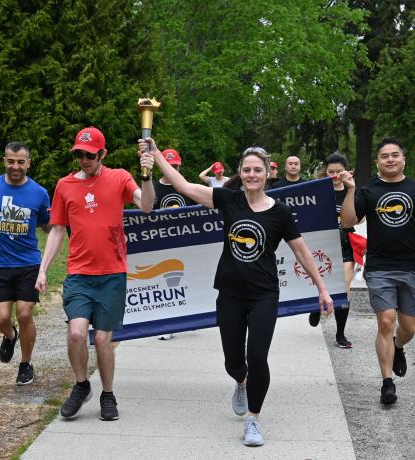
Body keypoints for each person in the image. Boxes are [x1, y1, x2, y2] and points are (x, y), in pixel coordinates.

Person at [139, 138, 333, 447]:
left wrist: (322, 289)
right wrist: (155, 153)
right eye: (247, 170)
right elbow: (183, 185)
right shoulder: (229, 200)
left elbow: (302, 252)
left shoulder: (280, 212)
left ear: (267, 173)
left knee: (258, 356)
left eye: (258, 170)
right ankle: (240, 382)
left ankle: (253, 420)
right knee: (234, 361)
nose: (252, 175)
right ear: (240, 173)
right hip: (229, 292)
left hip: (264, 295)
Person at [35, 126, 155, 421]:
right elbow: (57, 230)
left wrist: (147, 176)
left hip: (112, 273)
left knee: (103, 339)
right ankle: (81, 385)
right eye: (79, 154)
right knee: (76, 333)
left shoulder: (120, 178)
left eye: (89, 155)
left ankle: (108, 393)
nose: (83, 160)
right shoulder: (64, 185)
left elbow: (148, 206)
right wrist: (42, 270)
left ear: (102, 154)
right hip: (78, 273)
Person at [340, 138, 415, 405]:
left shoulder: (413, 187)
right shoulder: (369, 189)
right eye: (385, 156)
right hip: (380, 267)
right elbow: (348, 221)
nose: (391, 159)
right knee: (385, 321)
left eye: (395, 155)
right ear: (378, 162)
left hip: (411, 267)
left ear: (404, 158)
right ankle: (387, 383)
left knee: (408, 328)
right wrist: (350, 190)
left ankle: (398, 346)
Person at [0, 142, 50, 385]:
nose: (15, 166)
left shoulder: (39, 193)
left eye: (20, 162)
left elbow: (49, 225)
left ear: (28, 163)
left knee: (25, 313)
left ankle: (26, 364)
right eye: (10, 161)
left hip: (28, 263)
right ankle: (10, 335)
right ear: (4, 161)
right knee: (0, 318)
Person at [308, 153, 354, 348]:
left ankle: (340, 334)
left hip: (345, 244)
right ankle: (316, 306)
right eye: (331, 172)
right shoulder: (318, 191)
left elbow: (358, 219)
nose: (335, 175)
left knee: (343, 290)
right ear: (325, 172)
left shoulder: (352, 191)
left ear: (346, 171)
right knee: (322, 284)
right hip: (323, 245)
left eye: (339, 171)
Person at [154, 148, 195, 340]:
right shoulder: (153, 187)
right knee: (168, 283)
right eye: (168, 165)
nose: (172, 168)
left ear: (180, 165)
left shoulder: (186, 187)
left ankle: (189, 317)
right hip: (162, 243)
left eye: (175, 165)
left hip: (186, 242)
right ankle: (166, 324)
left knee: (189, 281)